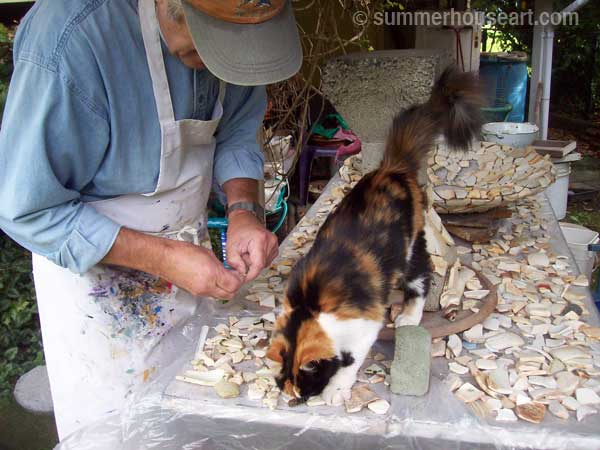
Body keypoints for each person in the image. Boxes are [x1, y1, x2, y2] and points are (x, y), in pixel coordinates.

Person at [0, 0, 302, 439]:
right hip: (96, 300)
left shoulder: (240, 26)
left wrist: (243, 213)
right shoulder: (70, 38)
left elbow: (237, 130)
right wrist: (165, 259)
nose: (214, 70)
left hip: (188, 265)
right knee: (118, 435)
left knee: (194, 417)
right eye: (212, 50)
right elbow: (27, 208)